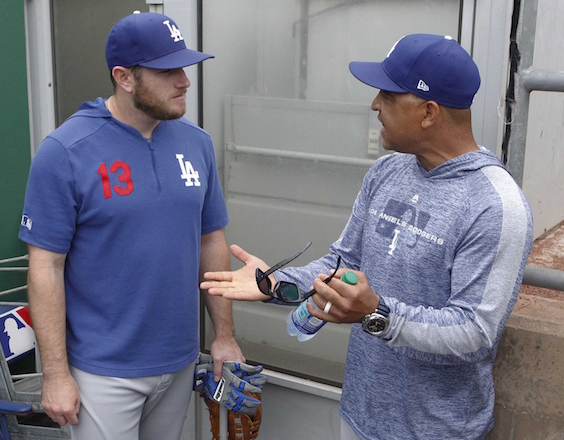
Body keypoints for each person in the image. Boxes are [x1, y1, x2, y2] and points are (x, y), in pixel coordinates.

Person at [201, 34, 534, 439]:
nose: (375, 104)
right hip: (359, 415)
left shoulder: (495, 205)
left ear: (428, 112)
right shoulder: (387, 171)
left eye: (388, 96)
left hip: (437, 431)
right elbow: (343, 263)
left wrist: (376, 314)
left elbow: (475, 335)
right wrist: (274, 283)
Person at [19, 11, 247, 440]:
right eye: (168, 71)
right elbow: (45, 267)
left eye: (185, 67)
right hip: (102, 371)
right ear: (124, 77)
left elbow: (211, 239)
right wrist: (55, 373)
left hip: (179, 360)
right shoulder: (65, 151)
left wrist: (224, 335)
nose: (185, 81)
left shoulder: (196, 143)